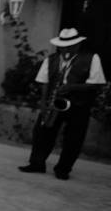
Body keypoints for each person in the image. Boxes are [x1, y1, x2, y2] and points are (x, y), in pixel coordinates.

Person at [19, 27, 107, 179]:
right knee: (42, 133)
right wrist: (43, 104)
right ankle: (37, 163)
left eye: (70, 46)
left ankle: (63, 169)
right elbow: (44, 83)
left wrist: (71, 87)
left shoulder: (92, 58)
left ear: (78, 45)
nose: (66, 48)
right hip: (54, 102)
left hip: (79, 104)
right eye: (63, 45)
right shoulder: (51, 59)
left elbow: (97, 83)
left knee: (74, 138)